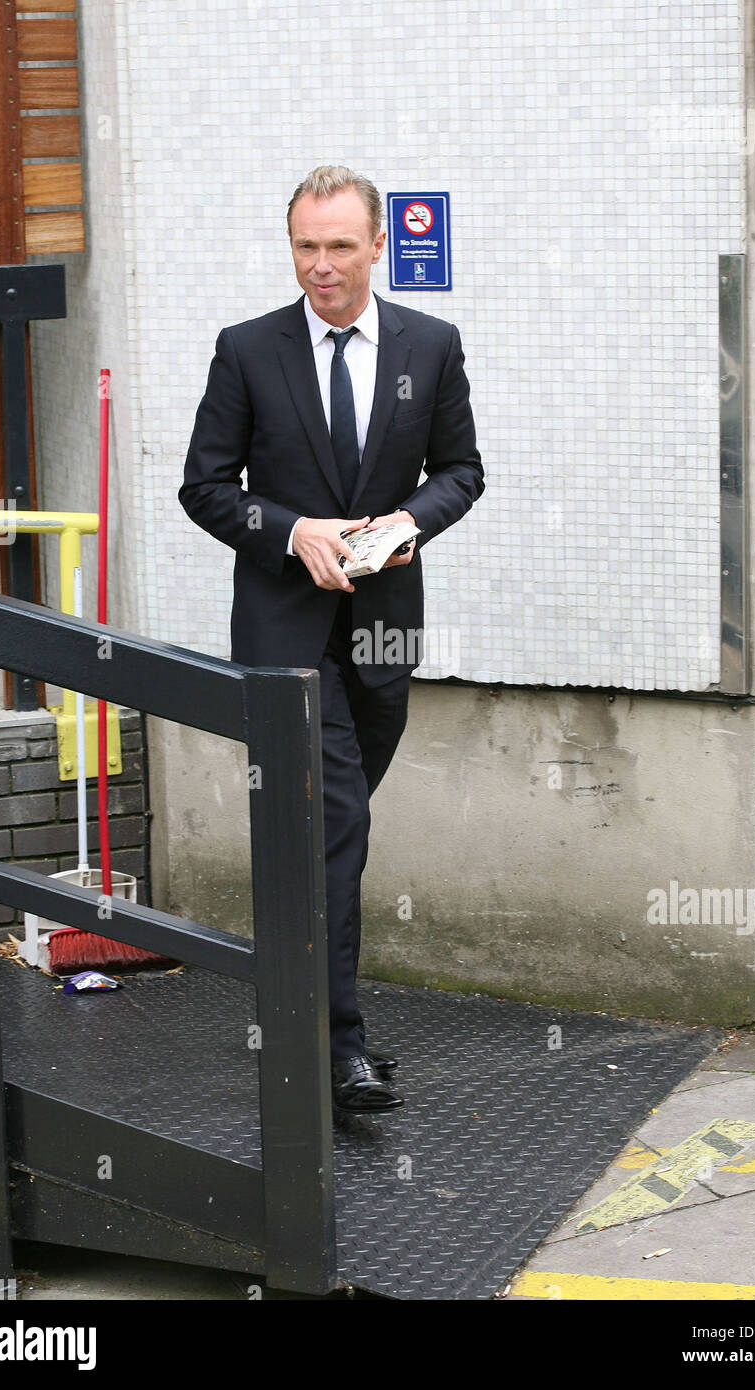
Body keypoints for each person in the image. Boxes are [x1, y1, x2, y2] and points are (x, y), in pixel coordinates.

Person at [179, 165, 484, 1113]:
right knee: (339, 823)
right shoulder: (247, 349)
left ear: (377, 244)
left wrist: (405, 524)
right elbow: (205, 486)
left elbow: (463, 471)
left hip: (384, 635)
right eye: (306, 247)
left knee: (325, 833)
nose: (322, 266)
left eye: (340, 246)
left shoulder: (429, 347)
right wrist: (288, 532)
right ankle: (337, 1046)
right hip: (286, 635)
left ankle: (296, 1010)